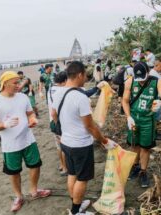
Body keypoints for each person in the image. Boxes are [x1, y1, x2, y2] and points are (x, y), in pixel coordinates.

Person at [51, 61, 117, 215]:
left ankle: (76, 203)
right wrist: (104, 141)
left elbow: (54, 115)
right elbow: (90, 126)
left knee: (72, 174)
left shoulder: (58, 92)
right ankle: (76, 211)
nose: (86, 78)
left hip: (66, 142)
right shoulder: (80, 97)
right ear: (79, 74)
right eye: (85, 75)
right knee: (82, 178)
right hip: (80, 145)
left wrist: (66, 129)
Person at [0, 71, 51, 212]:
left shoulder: (22, 97)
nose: (19, 85)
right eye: (15, 83)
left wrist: (33, 119)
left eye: (19, 81)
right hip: (10, 145)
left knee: (35, 165)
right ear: (5, 84)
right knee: (14, 172)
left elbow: (30, 113)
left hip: (28, 139)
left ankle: (34, 190)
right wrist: (4, 124)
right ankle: (18, 196)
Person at [122, 61, 161, 188]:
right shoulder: (130, 81)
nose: (141, 81)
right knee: (134, 144)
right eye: (139, 79)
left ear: (148, 73)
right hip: (134, 118)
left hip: (148, 120)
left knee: (145, 147)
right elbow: (125, 101)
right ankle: (135, 166)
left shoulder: (156, 81)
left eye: (143, 78)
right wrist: (128, 117)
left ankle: (143, 171)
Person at [48, 72, 68, 176]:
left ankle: (61, 165)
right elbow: (55, 111)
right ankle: (65, 168)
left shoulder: (50, 89)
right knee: (64, 145)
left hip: (52, 121)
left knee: (58, 146)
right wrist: (58, 125)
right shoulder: (62, 90)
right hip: (59, 121)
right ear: (64, 81)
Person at [149, 59, 161, 140]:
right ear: (156, 66)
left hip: (156, 98)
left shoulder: (156, 74)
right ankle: (153, 134)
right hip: (155, 98)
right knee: (154, 117)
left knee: (155, 116)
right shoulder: (153, 75)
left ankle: (154, 132)